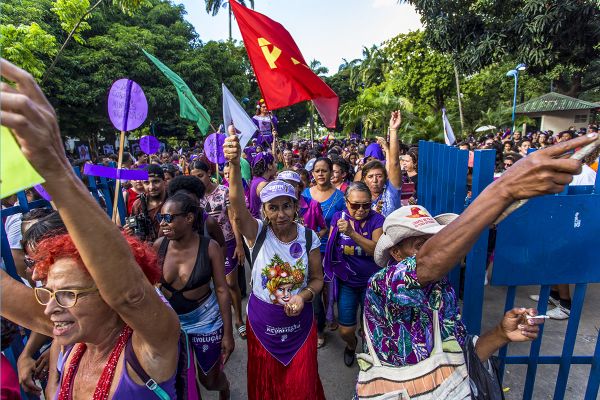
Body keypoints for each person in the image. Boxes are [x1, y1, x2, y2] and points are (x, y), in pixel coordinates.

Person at [354, 130, 599, 398]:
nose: (435, 249)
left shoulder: (442, 288)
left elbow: (463, 358)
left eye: (433, 239)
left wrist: (500, 334)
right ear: (396, 254)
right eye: (418, 244)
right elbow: (426, 263)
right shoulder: (382, 286)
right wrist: (503, 189)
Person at [0, 59, 181, 398]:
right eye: (49, 292)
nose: (51, 308)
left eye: (67, 294)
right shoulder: (69, 333)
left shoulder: (151, 347)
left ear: (107, 296)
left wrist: (54, 166)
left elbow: (130, 295)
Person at [224, 132, 325, 400]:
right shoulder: (256, 233)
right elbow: (236, 207)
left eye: (286, 207)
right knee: (267, 387)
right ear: (264, 211)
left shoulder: (308, 237)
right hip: (262, 324)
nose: (281, 214)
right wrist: (234, 165)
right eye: (273, 208)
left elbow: (317, 279)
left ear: (295, 208)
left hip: (300, 326)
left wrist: (303, 297)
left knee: (302, 386)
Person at [154, 193, 234, 398]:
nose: (163, 223)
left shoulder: (210, 247)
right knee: (182, 379)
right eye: (161, 218)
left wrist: (228, 333)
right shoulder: (158, 246)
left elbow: (222, 290)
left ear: (189, 218)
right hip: (171, 322)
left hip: (205, 320)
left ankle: (223, 387)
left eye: (169, 218)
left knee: (209, 380)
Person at [326, 182, 384, 367]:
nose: (361, 209)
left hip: (371, 284)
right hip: (347, 283)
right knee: (345, 331)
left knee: (368, 329)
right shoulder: (338, 218)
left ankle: (369, 355)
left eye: (366, 205)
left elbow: (376, 250)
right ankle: (351, 346)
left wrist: (351, 233)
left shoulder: (377, 220)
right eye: (355, 205)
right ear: (346, 202)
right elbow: (331, 248)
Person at [192, 161, 247, 338]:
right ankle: (219, 319)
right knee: (213, 286)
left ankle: (239, 319)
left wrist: (239, 245)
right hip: (204, 247)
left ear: (209, 173)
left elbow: (233, 219)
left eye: (200, 175)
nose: (198, 180)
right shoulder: (193, 198)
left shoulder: (224, 192)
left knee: (231, 284)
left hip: (227, 243)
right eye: (194, 177)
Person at [301, 157, 345, 346]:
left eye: (324, 170)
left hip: (330, 249)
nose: (320, 174)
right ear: (312, 174)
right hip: (306, 249)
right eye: (317, 171)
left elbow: (345, 223)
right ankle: (317, 328)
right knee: (312, 288)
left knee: (329, 288)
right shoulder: (304, 194)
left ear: (331, 173)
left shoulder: (340, 197)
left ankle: (330, 317)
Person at [356, 111, 403, 217]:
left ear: (386, 177)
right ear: (364, 179)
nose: (375, 180)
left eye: (379, 176)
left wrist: (393, 130)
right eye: (370, 176)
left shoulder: (391, 191)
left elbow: (394, 163)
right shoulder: (360, 199)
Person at [125, 164, 167, 242]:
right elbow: (133, 230)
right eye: (147, 183)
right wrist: (131, 231)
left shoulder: (173, 203)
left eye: (156, 181)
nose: (151, 187)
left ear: (164, 181)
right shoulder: (138, 205)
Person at [248, 152, 276, 219]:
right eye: (275, 162)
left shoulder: (256, 180)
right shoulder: (264, 184)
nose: (276, 165)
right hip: (261, 224)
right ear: (269, 166)